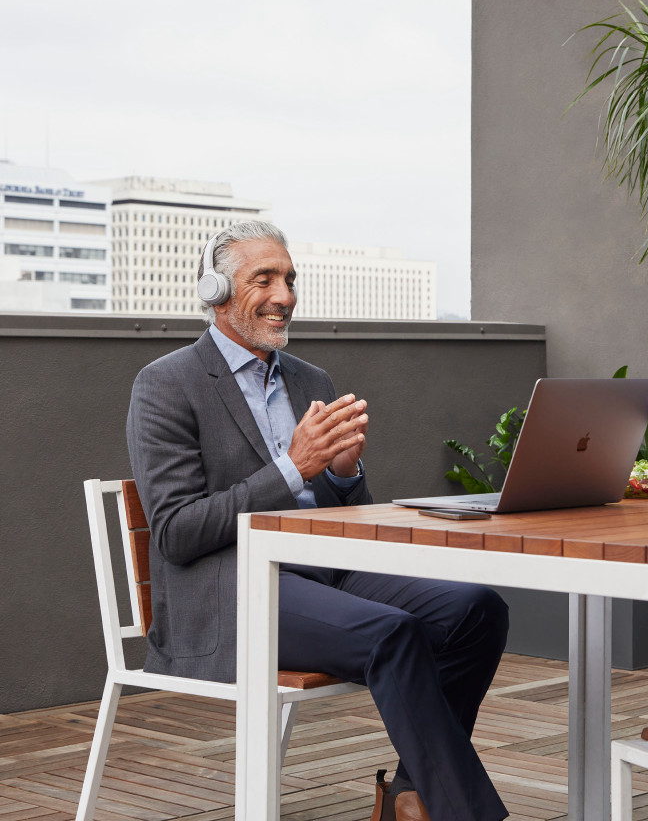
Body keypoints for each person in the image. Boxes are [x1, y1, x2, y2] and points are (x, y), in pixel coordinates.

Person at [126, 220, 509, 821]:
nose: (285, 295)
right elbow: (176, 532)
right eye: (265, 279)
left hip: (325, 571)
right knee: (393, 634)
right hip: (236, 590)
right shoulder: (166, 385)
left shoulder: (311, 380)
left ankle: (413, 793)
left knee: (476, 610)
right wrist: (292, 468)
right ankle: (460, 813)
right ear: (215, 292)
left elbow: (348, 518)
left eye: (290, 279)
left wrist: (344, 475)